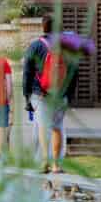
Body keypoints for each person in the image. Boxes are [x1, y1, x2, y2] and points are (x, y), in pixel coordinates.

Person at [31, 37, 76, 174]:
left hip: (45, 95)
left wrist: (36, 93)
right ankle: (56, 165)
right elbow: (73, 79)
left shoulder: (44, 54)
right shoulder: (69, 58)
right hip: (61, 97)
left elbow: (34, 75)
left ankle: (44, 162)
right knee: (57, 128)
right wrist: (68, 96)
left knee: (44, 128)